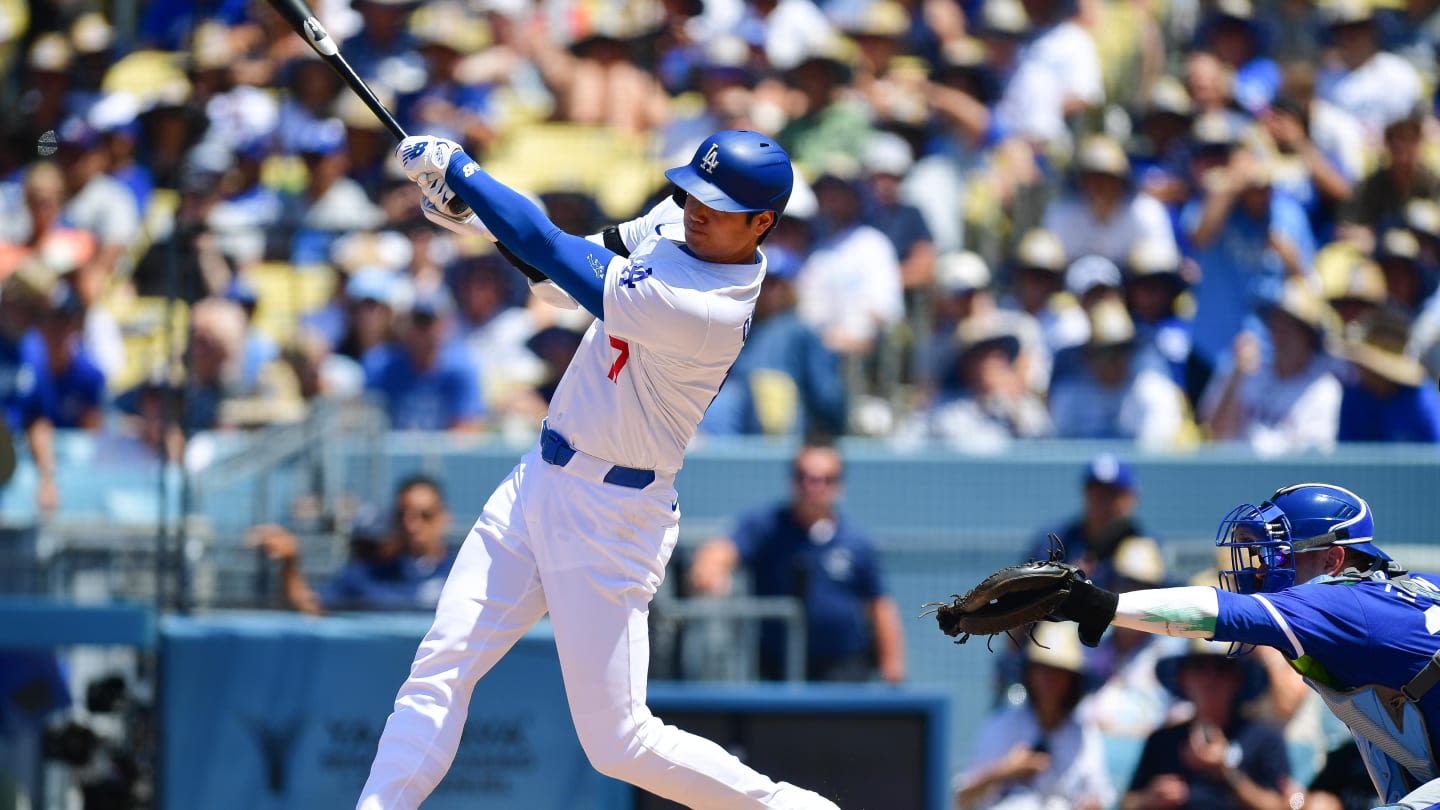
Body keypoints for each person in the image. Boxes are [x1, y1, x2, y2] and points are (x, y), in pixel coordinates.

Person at [359, 129, 842, 808]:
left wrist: (465, 173)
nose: (696, 209)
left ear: (762, 222)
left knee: (618, 742)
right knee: (440, 666)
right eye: (693, 192)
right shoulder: (682, 221)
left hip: (612, 514)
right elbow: (562, 276)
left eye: (719, 204)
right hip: (540, 477)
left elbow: (555, 251)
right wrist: (478, 217)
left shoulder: (707, 307)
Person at [1044, 482, 1440, 809]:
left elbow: (1226, 612)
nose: (1263, 570)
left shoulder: (1343, 602)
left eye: (1281, 554)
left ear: (1333, 560)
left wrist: (1103, 605)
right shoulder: (1395, 594)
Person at [686, 443, 906, 683]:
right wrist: (710, 569)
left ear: (838, 486)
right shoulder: (767, 526)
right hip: (777, 667)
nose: (813, 487)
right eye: (804, 477)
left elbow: (879, 603)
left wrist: (892, 663)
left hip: (842, 668)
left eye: (825, 479)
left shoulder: (856, 541)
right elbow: (722, 550)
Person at [955, 622, 1114, 810]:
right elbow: (961, 798)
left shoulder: (1084, 734)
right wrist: (1006, 770)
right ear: (1029, 673)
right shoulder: (1002, 723)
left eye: (1059, 671)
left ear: (1072, 680)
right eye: (1043, 668)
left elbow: (1099, 798)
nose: (1049, 679)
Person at [1123, 638, 1296, 810]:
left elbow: (1289, 805)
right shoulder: (1161, 740)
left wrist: (1228, 774)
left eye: (1222, 668)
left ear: (1238, 679)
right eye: (1199, 666)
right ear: (1183, 678)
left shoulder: (1265, 739)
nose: (1210, 678)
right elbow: (1126, 803)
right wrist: (1149, 799)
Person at [249, 475, 456, 615]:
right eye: (403, 515)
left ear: (443, 518)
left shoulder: (464, 571)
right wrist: (290, 561)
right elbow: (310, 606)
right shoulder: (368, 572)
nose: (412, 525)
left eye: (425, 515)